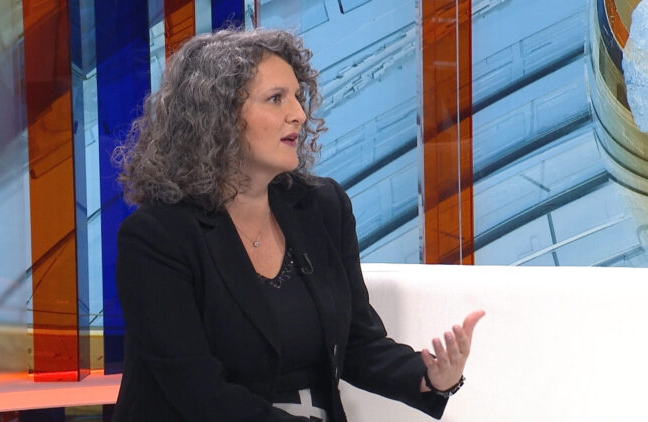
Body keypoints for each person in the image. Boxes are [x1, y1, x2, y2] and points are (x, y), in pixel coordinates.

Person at [112, 28, 484, 422]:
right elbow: (199, 393)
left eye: (297, 97)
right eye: (276, 98)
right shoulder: (158, 237)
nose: (299, 114)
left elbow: (356, 342)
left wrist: (429, 376)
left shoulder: (322, 208)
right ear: (217, 118)